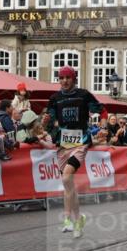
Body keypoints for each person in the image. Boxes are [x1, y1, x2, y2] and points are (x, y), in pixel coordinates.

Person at [46, 66, 102, 238]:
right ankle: (78, 220)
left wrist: (104, 126)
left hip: (81, 142)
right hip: (63, 145)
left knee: (66, 177)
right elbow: (50, 121)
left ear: (74, 79)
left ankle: (67, 218)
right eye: (61, 78)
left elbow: (101, 110)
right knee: (68, 185)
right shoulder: (54, 99)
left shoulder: (84, 95)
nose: (64, 81)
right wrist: (48, 123)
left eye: (67, 78)